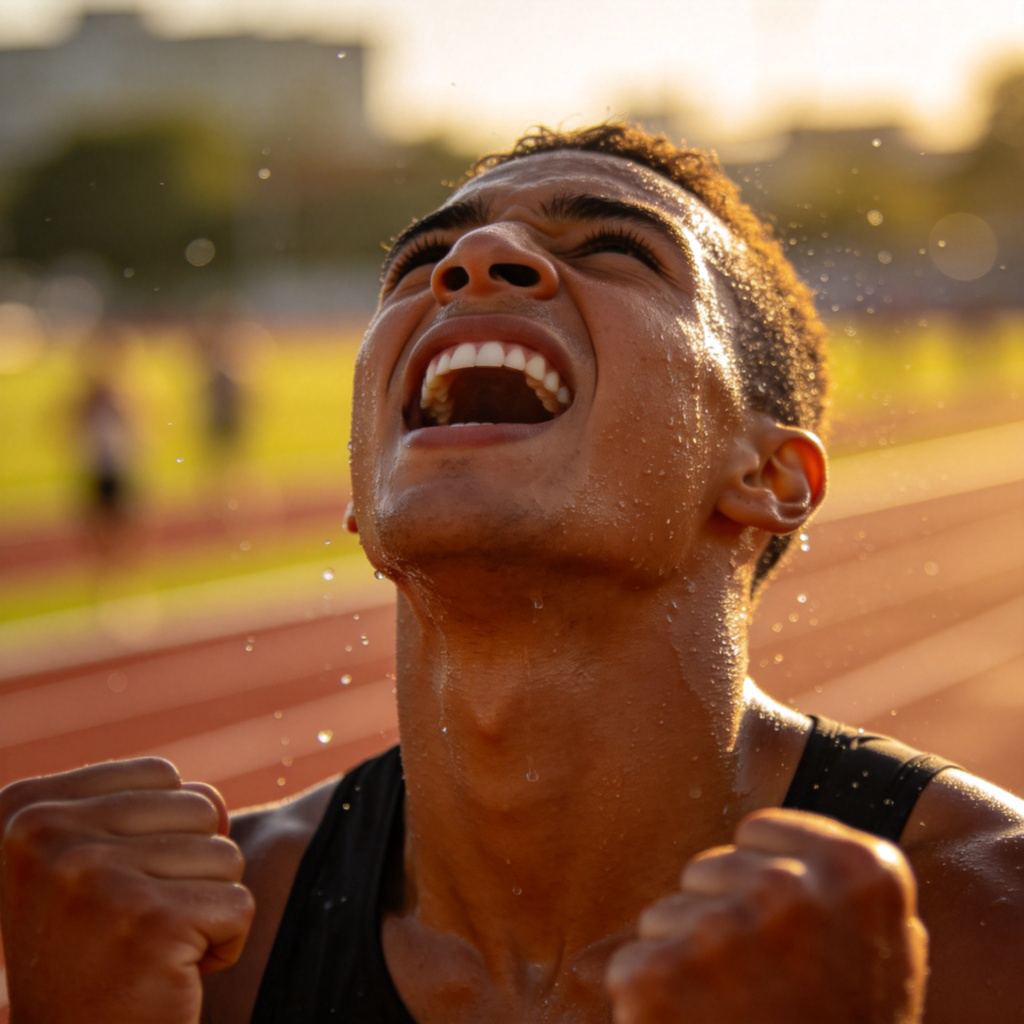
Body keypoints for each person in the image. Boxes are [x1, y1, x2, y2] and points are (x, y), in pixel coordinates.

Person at [1, 123, 1021, 1024]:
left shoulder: (987, 921)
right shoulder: (205, 944)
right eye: (422, 261)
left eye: (617, 249)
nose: (476, 259)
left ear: (768, 476)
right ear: (365, 474)